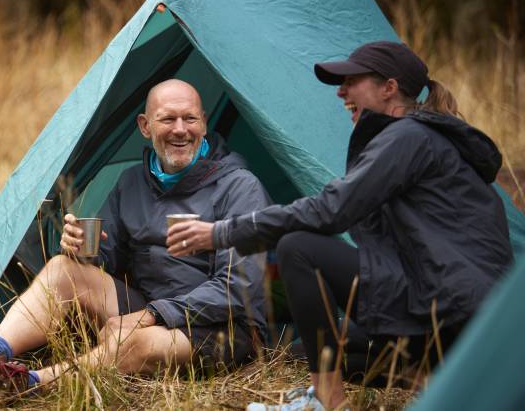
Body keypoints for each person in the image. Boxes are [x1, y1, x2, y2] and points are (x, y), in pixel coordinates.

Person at [167, 41, 513, 410]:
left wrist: (220, 232)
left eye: (351, 81)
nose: (341, 91)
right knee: (312, 349)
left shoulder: (408, 137)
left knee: (299, 248)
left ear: (389, 88)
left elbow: (331, 210)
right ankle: (436, 382)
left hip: (452, 314)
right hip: (462, 318)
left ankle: (328, 401)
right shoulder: (422, 138)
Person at [0, 79, 271, 396]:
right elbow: (109, 257)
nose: (180, 129)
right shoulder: (132, 184)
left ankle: (21, 383)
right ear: (145, 126)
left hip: (221, 328)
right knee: (63, 269)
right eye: (167, 119)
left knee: (132, 341)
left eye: (190, 118)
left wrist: (151, 316)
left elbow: (237, 288)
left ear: (204, 124)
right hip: (150, 304)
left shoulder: (239, 188)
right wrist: (82, 249)